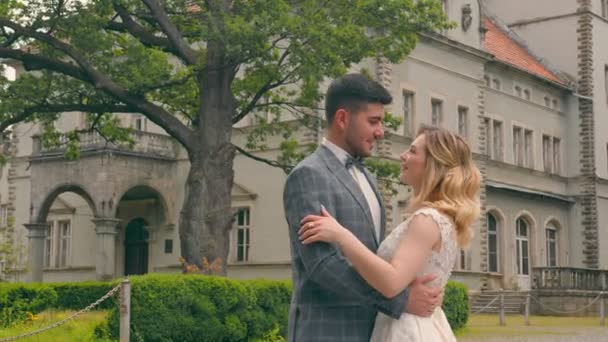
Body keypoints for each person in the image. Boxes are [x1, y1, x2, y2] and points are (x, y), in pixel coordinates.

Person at [283, 74, 443, 342]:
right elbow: (323, 266)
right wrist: (399, 300)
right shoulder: (307, 175)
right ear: (343, 119)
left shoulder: (368, 177)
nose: (381, 131)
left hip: (372, 330)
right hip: (328, 331)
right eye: (373, 121)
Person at [299, 125, 481, 341]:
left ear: (434, 165)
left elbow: (392, 282)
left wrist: (341, 235)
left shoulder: (427, 219)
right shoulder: (442, 218)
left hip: (406, 329)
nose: (403, 156)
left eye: (413, 151)